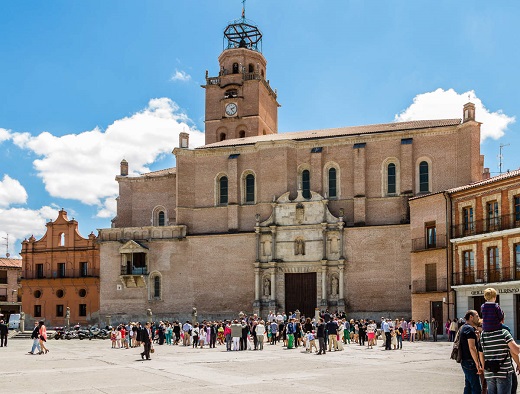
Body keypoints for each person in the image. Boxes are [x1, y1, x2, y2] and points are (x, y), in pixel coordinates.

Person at [479, 317, 520, 394]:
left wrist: (484, 368)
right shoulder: (504, 331)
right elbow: (514, 351)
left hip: (489, 371)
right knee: (512, 388)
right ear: (502, 319)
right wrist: (518, 363)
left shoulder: (483, 333)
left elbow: (481, 352)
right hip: (504, 371)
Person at [459, 310, 482, 394]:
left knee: (468, 386)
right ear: (471, 317)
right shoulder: (469, 329)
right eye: (477, 316)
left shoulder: (464, 327)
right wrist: (477, 363)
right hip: (470, 362)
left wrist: (478, 338)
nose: (478, 318)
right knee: (476, 387)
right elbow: (472, 347)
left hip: (466, 361)